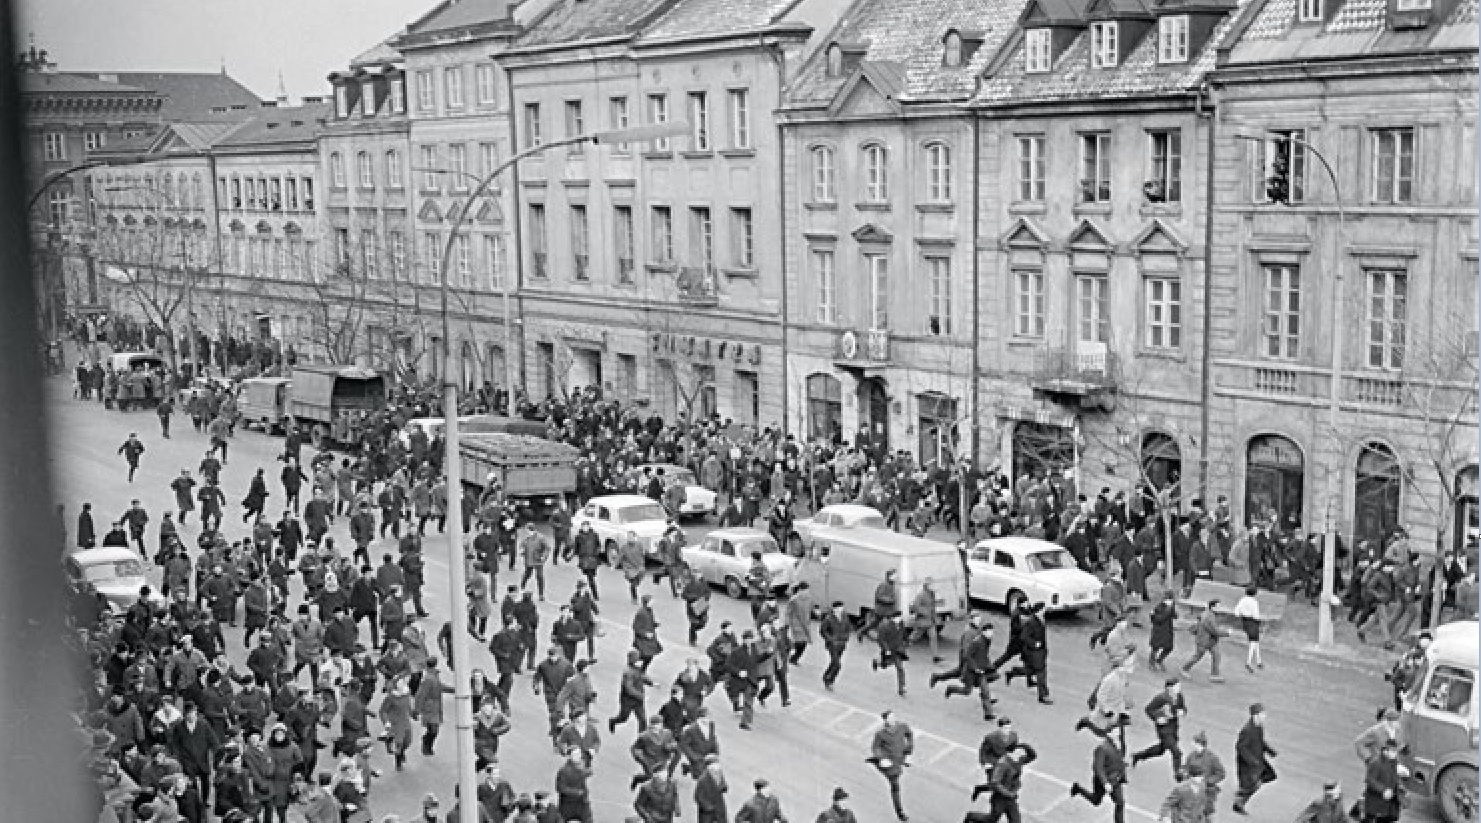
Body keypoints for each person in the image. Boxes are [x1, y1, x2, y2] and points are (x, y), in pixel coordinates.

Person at [1132, 677, 1188, 774]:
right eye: (1177, 686)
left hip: (1174, 726)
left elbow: (1183, 707)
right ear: (1169, 688)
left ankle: (1138, 756)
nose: (1179, 688)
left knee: (1161, 750)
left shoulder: (1179, 696)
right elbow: (1148, 709)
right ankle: (1178, 773)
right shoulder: (1160, 698)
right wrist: (1157, 718)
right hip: (1164, 728)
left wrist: (1182, 712)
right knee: (1176, 752)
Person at [867, 710, 914, 822]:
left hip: (900, 758)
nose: (893, 719)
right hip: (889, 763)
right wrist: (882, 758)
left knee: (897, 776)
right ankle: (900, 812)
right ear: (886, 720)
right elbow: (875, 748)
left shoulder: (902, 726)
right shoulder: (881, 734)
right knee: (895, 785)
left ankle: (876, 761)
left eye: (893, 717)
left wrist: (908, 751)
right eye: (890, 718)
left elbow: (909, 734)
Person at [1069, 733, 1127, 823]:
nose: (1118, 737)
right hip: (1103, 781)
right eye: (1116, 736)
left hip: (1115, 780)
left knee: (1120, 802)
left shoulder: (1119, 745)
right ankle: (1078, 789)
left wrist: (1122, 775)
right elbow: (1098, 767)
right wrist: (1105, 783)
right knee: (1096, 801)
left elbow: (1120, 761)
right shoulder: (1102, 749)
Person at [1231, 703, 1277, 816]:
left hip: (1258, 761)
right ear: (1255, 715)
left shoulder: (1258, 727)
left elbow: (1260, 741)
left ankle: (1241, 794)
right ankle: (1238, 803)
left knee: (1270, 776)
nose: (1265, 716)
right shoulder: (1247, 730)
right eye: (1262, 713)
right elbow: (1241, 747)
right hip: (1248, 765)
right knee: (1251, 785)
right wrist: (1252, 761)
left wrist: (1269, 750)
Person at [1181, 602, 1227, 683]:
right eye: (1218, 606)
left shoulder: (1211, 614)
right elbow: (1214, 631)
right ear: (1212, 607)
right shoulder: (1208, 617)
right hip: (1203, 641)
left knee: (1217, 655)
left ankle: (1215, 675)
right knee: (1198, 656)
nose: (1220, 608)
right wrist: (1227, 633)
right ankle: (1184, 669)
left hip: (1211, 640)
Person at [1360, 741, 1405, 823]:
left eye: (1396, 751)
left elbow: (1395, 778)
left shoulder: (1394, 763)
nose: (1395, 754)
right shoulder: (1376, 763)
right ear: (1385, 751)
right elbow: (1370, 780)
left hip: (1389, 805)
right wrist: (1384, 789)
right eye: (1393, 751)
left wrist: (1400, 786)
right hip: (1376, 803)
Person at [873, 613, 909, 696]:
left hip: (899, 650)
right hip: (890, 649)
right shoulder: (884, 626)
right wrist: (886, 649)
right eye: (897, 617)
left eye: (900, 617)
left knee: (900, 668)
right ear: (892, 618)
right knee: (885, 665)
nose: (899, 619)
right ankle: (877, 662)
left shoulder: (901, 624)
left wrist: (907, 641)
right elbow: (881, 639)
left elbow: (904, 634)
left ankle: (901, 688)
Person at [820, 601, 850, 690]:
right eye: (839, 608)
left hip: (842, 644)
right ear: (835, 609)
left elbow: (848, 628)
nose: (841, 609)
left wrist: (846, 637)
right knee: (837, 664)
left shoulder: (845, 617)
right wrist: (830, 639)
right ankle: (829, 681)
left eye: (842, 608)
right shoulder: (828, 619)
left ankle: (826, 675)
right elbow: (823, 631)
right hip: (832, 645)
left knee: (834, 662)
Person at [1233, 587, 1263, 672]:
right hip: (1253, 622)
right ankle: (1248, 662)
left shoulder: (1242, 600)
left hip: (1245, 621)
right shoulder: (1254, 602)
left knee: (1255, 641)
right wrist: (1259, 620)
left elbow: (1236, 612)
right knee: (1253, 642)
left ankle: (1258, 661)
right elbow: (1255, 615)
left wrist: (1242, 614)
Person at [694, 755, 728, 823]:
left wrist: (724, 787)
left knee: (721, 820)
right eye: (715, 771)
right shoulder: (702, 780)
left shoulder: (719, 774)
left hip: (719, 805)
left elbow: (723, 784)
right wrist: (707, 806)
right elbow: (698, 796)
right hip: (707, 810)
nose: (717, 772)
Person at [1148, 592, 1177, 671]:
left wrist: (1172, 609)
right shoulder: (1161, 606)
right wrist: (1169, 610)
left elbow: (1174, 615)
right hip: (1159, 630)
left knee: (1169, 648)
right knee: (1155, 648)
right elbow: (1159, 618)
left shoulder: (1170, 606)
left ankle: (1159, 660)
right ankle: (1151, 663)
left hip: (1167, 630)